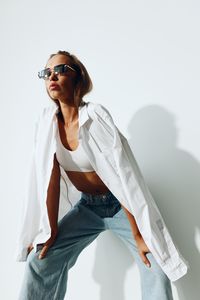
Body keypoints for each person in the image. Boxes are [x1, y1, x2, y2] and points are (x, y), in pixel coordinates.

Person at [16, 50, 188, 300]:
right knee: (39, 260)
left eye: (61, 70)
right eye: (46, 72)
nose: (52, 76)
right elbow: (49, 182)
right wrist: (51, 231)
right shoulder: (46, 124)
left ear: (78, 77)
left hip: (119, 205)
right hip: (87, 208)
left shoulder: (95, 116)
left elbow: (122, 176)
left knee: (155, 262)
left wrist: (139, 234)